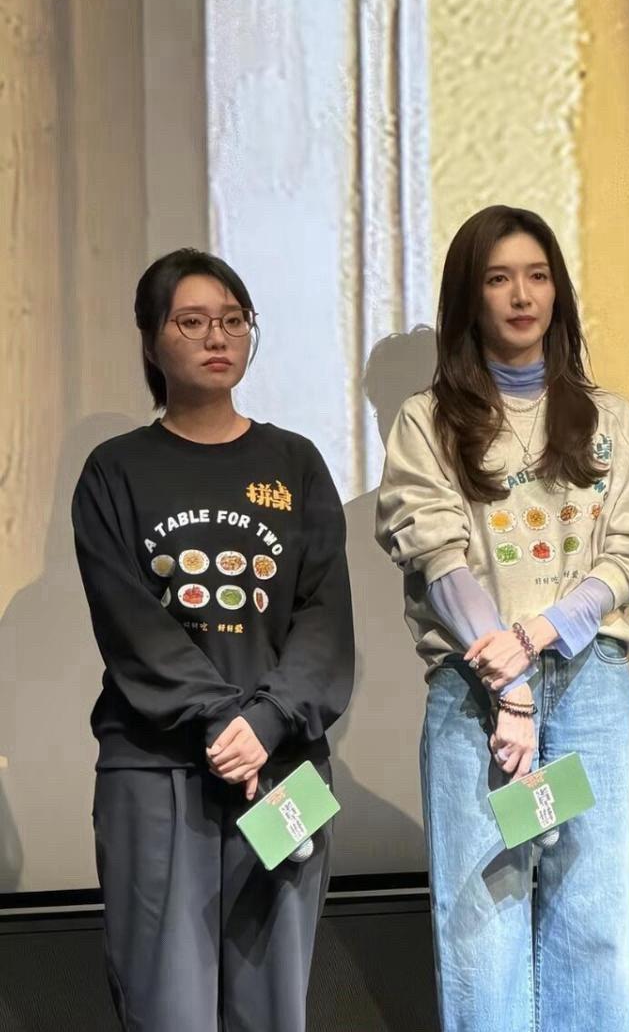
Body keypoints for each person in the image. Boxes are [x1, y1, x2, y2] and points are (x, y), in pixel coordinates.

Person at [376, 205, 629, 1031]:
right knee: (481, 926)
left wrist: (546, 631)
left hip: (590, 679)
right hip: (475, 690)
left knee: (597, 918)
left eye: (537, 276)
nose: (521, 295)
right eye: (499, 278)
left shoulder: (610, 418)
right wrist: (508, 679)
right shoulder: (426, 421)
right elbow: (437, 557)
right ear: (468, 297)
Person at [71, 248, 354, 1032]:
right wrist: (223, 719)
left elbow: (325, 620)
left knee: (274, 1009)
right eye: (191, 321)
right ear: (150, 339)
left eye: (232, 319)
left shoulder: (295, 463)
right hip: (157, 771)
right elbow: (132, 626)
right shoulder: (114, 472)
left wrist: (265, 722)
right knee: (168, 1008)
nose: (216, 336)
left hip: (282, 770)